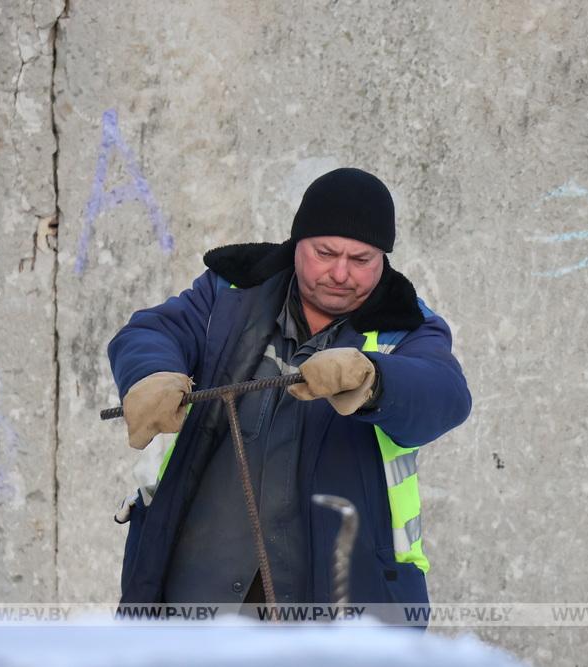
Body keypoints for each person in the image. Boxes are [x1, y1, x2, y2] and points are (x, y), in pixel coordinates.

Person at [108, 167, 471, 608]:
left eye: (361, 260)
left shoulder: (407, 328)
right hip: (192, 592)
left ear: (383, 260)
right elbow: (153, 332)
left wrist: (374, 379)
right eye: (325, 252)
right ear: (298, 242)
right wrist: (152, 373)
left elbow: (445, 394)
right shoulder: (228, 293)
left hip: (338, 598)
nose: (340, 273)